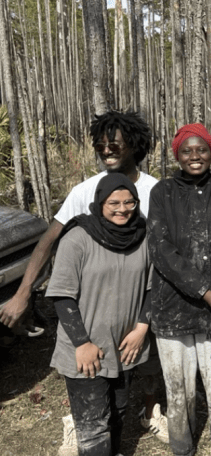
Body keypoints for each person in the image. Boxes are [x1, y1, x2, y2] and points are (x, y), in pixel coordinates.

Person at [0, 111, 167, 453]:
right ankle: (83, 425)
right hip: (95, 314)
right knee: (94, 395)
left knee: (146, 366)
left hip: (143, 303)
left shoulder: (155, 191)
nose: (106, 150)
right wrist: (22, 292)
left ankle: (151, 410)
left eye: (114, 144)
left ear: (134, 145)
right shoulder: (85, 191)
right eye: (100, 145)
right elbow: (49, 241)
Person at [147, 123, 211, 456]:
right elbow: (161, 249)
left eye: (201, 149)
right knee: (178, 392)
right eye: (187, 151)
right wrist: (204, 290)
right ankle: (182, 448)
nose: (195, 156)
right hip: (172, 305)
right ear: (177, 155)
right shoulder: (162, 192)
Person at [46, 173, 152, 456]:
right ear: (100, 202)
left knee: (117, 412)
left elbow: (155, 289)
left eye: (130, 202)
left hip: (124, 344)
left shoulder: (143, 237)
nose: (123, 209)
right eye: (113, 202)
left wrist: (141, 328)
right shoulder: (78, 238)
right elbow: (61, 295)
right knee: (93, 426)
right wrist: (82, 343)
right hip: (86, 347)